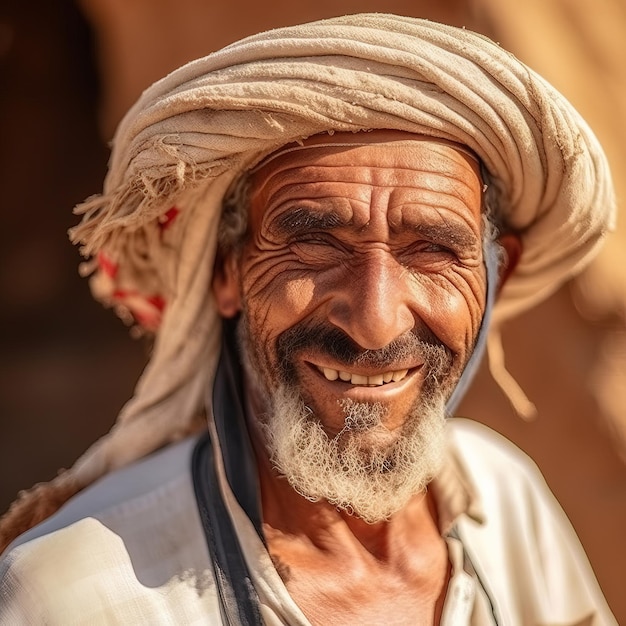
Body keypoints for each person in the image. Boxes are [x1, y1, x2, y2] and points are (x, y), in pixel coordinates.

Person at [0, 13, 618, 625]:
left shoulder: (505, 495)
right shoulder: (74, 593)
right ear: (226, 271)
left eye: (431, 250)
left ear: (495, 275)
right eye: (314, 245)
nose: (375, 323)